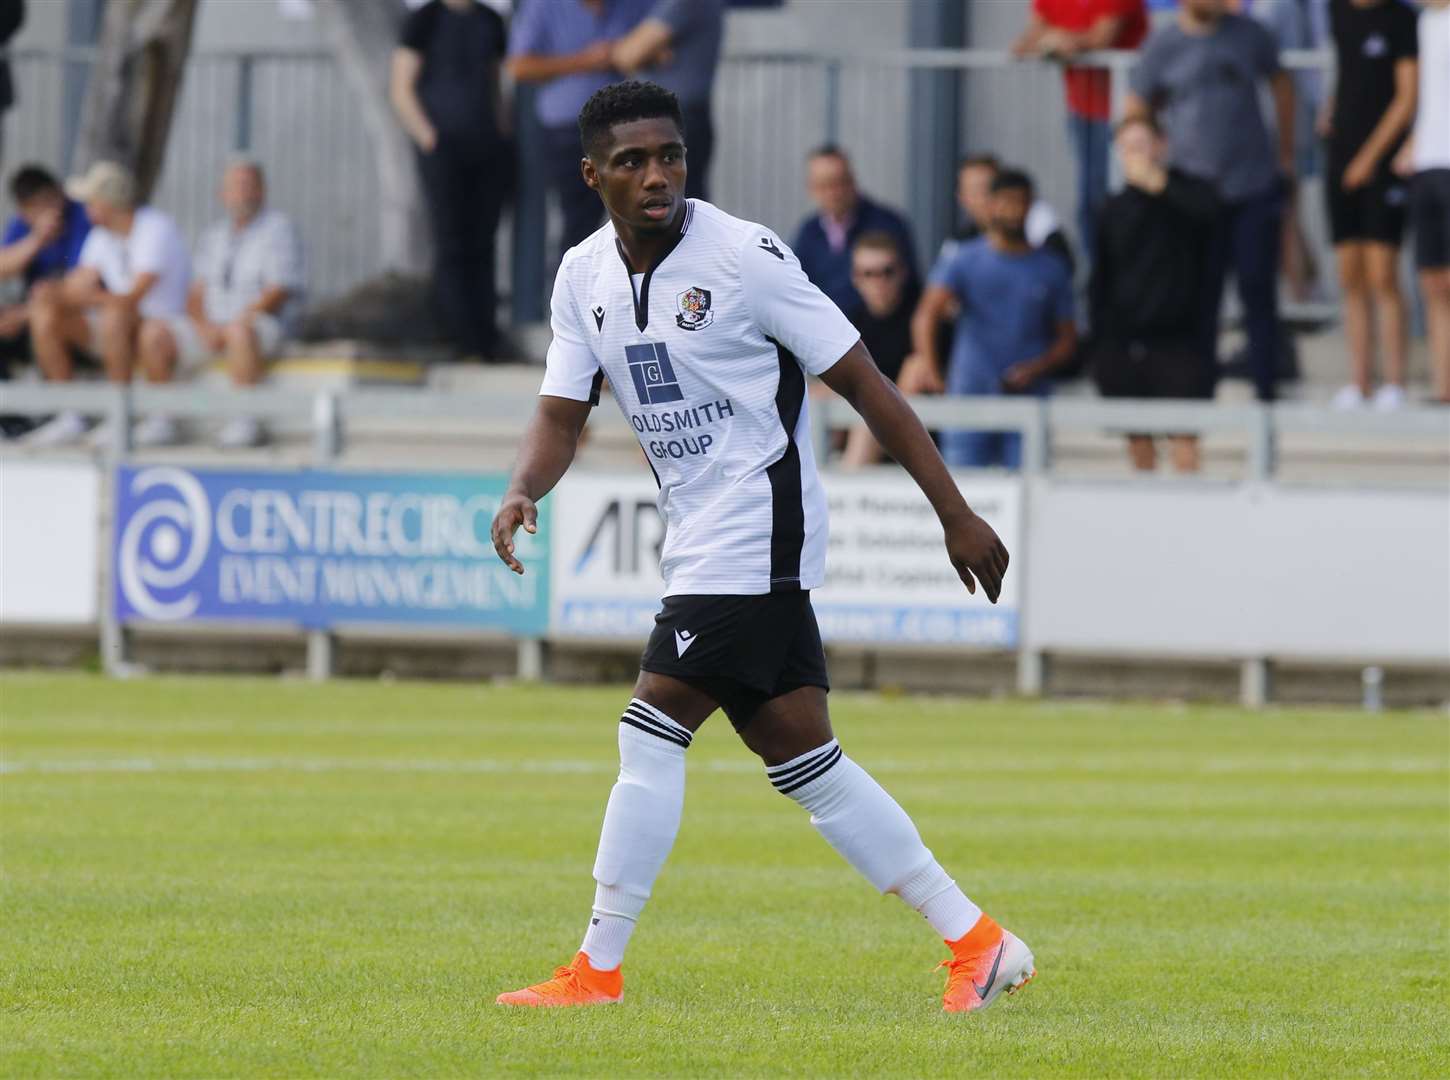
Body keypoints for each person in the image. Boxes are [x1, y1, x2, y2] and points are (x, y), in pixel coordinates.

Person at [490, 81, 1031, 1014]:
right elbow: (559, 413)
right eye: (633, 162)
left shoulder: (746, 257)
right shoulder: (582, 275)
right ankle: (980, 943)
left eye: (670, 156)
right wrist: (522, 488)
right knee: (804, 760)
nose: (657, 176)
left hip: (755, 531)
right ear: (592, 177)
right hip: (701, 537)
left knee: (650, 728)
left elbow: (867, 384)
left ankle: (597, 972)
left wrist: (955, 512)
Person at [1126, 0, 1297, 402]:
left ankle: (1265, 389)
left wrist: (1285, 154)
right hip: (1193, 194)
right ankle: (1199, 391)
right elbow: (1136, 104)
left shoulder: (1250, 35)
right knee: (1201, 294)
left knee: (1258, 289)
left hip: (1252, 185)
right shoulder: (1164, 44)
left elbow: (1281, 85)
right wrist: (1149, 158)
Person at [904, 169, 1078, 470]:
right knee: (963, 493)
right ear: (990, 204)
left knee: (1028, 495)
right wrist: (932, 369)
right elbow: (927, 314)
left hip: (1028, 402)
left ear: (1031, 206)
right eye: (1005, 201)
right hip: (969, 396)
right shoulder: (965, 258)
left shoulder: (1051, 267)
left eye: (1020, 202)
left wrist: (1037, 367)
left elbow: (1067, 338)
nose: (1012, 210)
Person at [25, 161, 191, 448]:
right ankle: (70, 415)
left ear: (107, 202)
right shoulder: (102, 236)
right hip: (127, 327)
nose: (86, 207)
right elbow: (77, 284)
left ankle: (123, 414)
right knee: (45, 310)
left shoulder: (155, 228)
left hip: (166, 328)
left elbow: (131, 299)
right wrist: (50, 293)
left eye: (91, 200)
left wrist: (76, 295)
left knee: (114, 314)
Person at [1090, 116, 1219, 472]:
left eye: (1142, 145)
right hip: (1127, 343)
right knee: (1139, 445)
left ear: (1161, 145)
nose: (1136, 156)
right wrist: (1101, 349)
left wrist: (1159, 184)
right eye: (1128, 148)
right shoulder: (1113, 208)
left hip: (1182, 342)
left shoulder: (1188, 193)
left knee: (1185, 442)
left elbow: (1212, 215)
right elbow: (1100, 280)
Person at [391, 0, 510, 361]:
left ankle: (485, 337)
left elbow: (497, 82)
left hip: (486, 147)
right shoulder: (423, 20)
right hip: (444, 149)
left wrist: (502, 134)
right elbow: (401, 87)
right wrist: (429, 138)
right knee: (451, 241)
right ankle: (457, 337)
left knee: (483, 241)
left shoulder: (491, 20)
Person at [1323, 0, 1418, 411]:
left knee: (1383, 274)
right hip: (1341, 154)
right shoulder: (1338, 12)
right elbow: (1346, 73)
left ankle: (1394, 381)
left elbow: (1406, 98)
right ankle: (1359, 381)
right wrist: (1330, 111)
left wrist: (1370, 157)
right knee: (1350, 274)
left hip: (1381, 162)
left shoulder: (1401, 18)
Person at [508, 0, 654, 259]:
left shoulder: (633, 5)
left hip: (625, 131)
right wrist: (584, 61)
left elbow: (660, 46)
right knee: (578, 225)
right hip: (568, 131)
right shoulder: (543, 6)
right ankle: (573, 292)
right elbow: (519, 66)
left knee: (635, 219)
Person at [179, 159, 305, 448]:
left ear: (262, 190)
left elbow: (279, 289)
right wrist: (204, 326)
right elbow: (196, 292)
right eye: (235, 187)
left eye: (248, 185)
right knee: (154, 335)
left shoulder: (278, 229)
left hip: (260, 323)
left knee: (239, 333)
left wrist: (240, 319)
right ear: (222, 194)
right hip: (215, 325)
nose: (242, 193)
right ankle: (159, 417)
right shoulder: (213, 235)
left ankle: (245, 419)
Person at [1011, 0, 1149, 263]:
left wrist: (1058, 41)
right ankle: (1097, 270)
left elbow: (1102, 38)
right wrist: (1054, 43)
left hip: (1129, 114)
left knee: (1129, 195)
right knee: (1090, 198)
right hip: (1084, 111)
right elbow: (1025, 43)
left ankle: (1129, 266)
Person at [0, 164, 89, 438]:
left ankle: (67, 412)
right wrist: (37, 240)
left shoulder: (82, 219)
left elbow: (78, 288)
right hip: (31, 315)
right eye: (38, 206)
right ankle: (11, 419)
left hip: (76, 319)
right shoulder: (24, 226)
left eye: (53, 200)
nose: (51, 210)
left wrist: (23, 314)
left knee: (44, 316)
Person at [609, 0, 725, 201]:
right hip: (682, 117)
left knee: (676, 205)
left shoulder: (681, 4)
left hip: (676, 120)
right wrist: (652, 51)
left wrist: (640, 50)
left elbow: (626, 55)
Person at [1395, 0, 1450, 404]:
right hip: (1428, 163)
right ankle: (1442, 386)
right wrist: (1414, 142)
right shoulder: (1423, 23)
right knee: (1432, 281)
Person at [791, 145, 918, 313]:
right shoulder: (808, 232)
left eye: (839, 182)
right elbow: (796, 288)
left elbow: (910, 287)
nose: (833, 193)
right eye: (824, 185)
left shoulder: (886, 225)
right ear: (811, 188)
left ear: (852, 180)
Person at [839, 230, 920, 468]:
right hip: (866, 419)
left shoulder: (922, 317)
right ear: (855, 278)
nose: (879, 281)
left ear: (902, 272)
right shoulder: (847, 323)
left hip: (917, 430)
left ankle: (846, 496)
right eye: (868, 274)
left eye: (887, 272)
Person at [938, 153, 1076, 275]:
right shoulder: (957, 245)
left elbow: (1062, 269)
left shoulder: (1037, 221)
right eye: (976, 191)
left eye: (991, 189)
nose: (986, 199)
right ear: (962, 199)